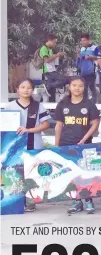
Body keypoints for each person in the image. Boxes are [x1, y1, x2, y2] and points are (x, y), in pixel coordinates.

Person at [54, 77, 101, 214]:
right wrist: (57, 145)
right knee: (72, 174)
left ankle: (88, 200)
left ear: (84, 88)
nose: (77, 88)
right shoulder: (62, 104)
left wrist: (84, 139)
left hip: (84, 145)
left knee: (86, 173)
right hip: (66, 143)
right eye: (74, 85)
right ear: (69, 87)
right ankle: (76, 201)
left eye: (80, 86)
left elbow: (95, 124)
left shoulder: (89, 104)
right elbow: (58, 125)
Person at [6, 79, 51, 212]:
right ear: (17, 90)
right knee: (15, 171)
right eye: (23, 87)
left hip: (33, 143)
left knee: (31, 172)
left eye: (29, 88)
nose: (26, 90)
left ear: (33, 90)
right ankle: (16, 200)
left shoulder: (38, 106)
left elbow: (46, 124)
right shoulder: (10, 107)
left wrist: (28, 130)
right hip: (14, 145)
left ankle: (30, 200)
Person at [39, 34, 67, 102]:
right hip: (48, 71)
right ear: (49, 41)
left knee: (52, 92)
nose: (55, 44)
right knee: (64, 79)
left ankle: (52, 108)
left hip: (52, 70)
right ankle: (47, 86)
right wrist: (57, 55)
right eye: (54, 42)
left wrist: (59, 56)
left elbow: (51, 59)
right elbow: (47, 60)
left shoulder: (50, 49)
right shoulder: (44, 49)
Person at [77, 33, 100, 103]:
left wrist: (90, 57)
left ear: (89, 40)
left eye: (84, 40)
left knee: (85, 87)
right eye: (82, 41)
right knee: (92, 87)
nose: (83, 42)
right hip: (83, 70)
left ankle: (86, 102)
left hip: (91, 71)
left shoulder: (95, 48)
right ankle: (94, 101)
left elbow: (99, 57)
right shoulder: (82, 48)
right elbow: (79, 58)